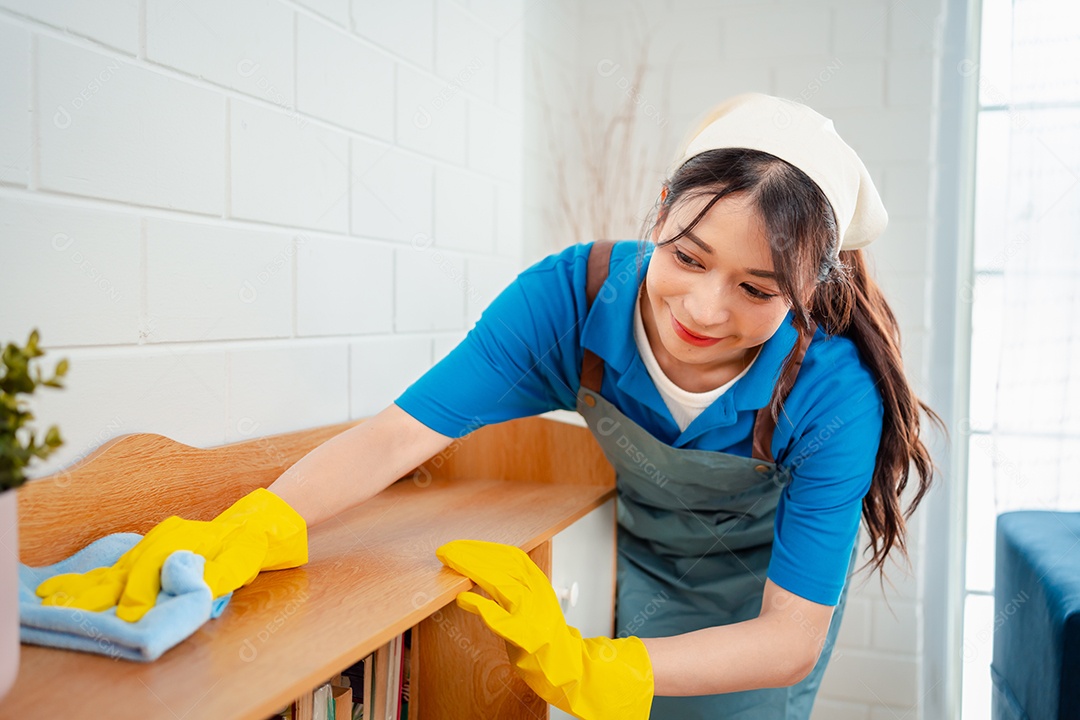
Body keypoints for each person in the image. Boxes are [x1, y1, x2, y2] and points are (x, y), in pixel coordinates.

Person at [37, 93, 944, 720]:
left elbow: (787, 638)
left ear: (806, 291)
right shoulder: (567, 301)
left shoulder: (832, 389)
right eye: (691, 258)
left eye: (757, 287)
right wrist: (252, 526)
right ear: (660, 210)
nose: (705, 311)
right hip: (644, 578)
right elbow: (398, 436)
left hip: (756, 621)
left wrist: (598, 666)